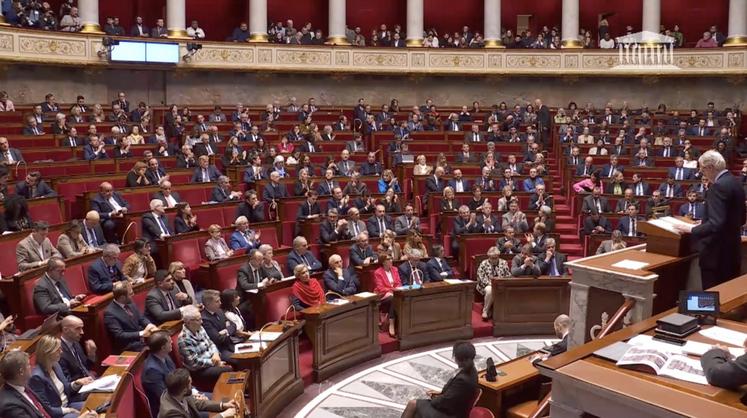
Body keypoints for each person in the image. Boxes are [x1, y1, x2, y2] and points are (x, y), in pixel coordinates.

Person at [675, 151, 746, 289]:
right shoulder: (735, 182)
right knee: (727, 296)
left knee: (712, 299)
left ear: (711, 167)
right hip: (732, 252)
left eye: (702, 169)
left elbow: (716, 224)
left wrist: (690, 229)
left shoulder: (718, 187)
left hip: (715, 256)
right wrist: (705, 222)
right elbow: (741, 219)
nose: (702, 173)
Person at [0, 351, 97, 418]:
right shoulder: (10, 405)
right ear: (21, 372)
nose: (32, 368)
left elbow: (46, 411)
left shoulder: (24, 386)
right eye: (28, 365)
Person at [401, 341, 478, 418]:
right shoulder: (472, 370)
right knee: (416, 410)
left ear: (459, 359)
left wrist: (434, 399)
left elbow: (446, 401)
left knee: (412, 404)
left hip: (451, 414)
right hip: (454, 408)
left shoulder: (463, 380)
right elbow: (452, 394)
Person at [29, 335, 91, 418]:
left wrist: (76, 383)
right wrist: (70, 410)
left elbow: (66, 388)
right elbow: (47, 409)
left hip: (69, 404)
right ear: (48, 352)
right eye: (58, 350)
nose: (61, 352)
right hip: (59, 413)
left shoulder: (56, 365)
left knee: (94, 404)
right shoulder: (36, 377)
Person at [178, 305, 232, 385]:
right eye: (198, 320)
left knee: (234, 359)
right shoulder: (184, 338)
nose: (202, 322)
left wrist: (216, 354)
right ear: (189, 322)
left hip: (213, 359)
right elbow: (194, 363)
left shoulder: (200, 328)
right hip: (199, 370)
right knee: (227, 369)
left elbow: (211, 343)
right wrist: (215, 363)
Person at [104, 281, 158, 353]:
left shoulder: (129, 302)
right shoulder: (110, 313)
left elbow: (141, 318)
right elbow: (120, 335)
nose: (133, 295)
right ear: (122, 297)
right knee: (158, 348)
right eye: (130, 294)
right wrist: (141, 333)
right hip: (128, 347)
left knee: (162, 341)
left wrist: (149, 325)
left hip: (141, 341)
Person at [158, 369, 237, 418]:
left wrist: (223, 405)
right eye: (190, 384)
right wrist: (223, 415)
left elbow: (197, 403)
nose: (192, 386)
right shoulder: (170, 413)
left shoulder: (178, 392)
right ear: (184, 390)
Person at [141, 331, 176, 418]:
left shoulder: (165, 356)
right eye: (169, 341)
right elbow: (164, 396)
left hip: (179, 397)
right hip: (170, 410)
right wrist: (189, 397)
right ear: (163, 347)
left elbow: (177, 377)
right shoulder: (152, 370)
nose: (172, 342)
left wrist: (193, 392)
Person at [476, 247, 511, 319]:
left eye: (495, 258)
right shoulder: (484, 263)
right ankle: (485, 311)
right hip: (486, 285)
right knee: (490, 290)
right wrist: (490, 284)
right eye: (491, 258)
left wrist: (501, 283)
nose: (493, 260)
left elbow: (508, 275)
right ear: (488, 257)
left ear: (498, 256)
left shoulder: (503, 263)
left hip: (501, 285)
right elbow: (481, 278)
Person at [58, 315, 96, 383]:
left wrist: (91, 355)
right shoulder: (59, 351)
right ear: (65, 330)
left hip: (89, 381)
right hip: (79, 388)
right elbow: (67, 382)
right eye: (78, 328)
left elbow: (86, 367)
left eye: (82, 328)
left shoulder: (75, 342)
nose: (82, 332)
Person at [373, 253, 402, 337]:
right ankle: (391, 324)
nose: (391, 261)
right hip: (382, 295)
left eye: (391, 259)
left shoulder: (395, 269)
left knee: (395, 298)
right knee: (393, 297)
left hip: (394, 294)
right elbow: (381, 288)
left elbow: (399, 283)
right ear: (383, 262)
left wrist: (395, 290)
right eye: (388, 259)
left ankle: (395, 322)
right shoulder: (378, 272)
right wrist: (393, 290)